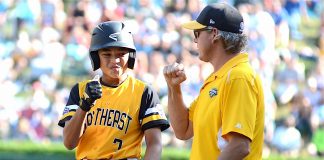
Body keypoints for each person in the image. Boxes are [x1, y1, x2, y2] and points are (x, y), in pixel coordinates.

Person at [163, 3, 265, 160]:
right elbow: (183, 130)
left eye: (197, 33)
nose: (195, 41)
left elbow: (239, 146)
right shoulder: (219, 77)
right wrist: (174, 88)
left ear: (215, 34)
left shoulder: (238, 76)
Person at [58, 21, 170, 160]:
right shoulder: (80, 90)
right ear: (96, 57)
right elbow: (69, 143)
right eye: (106, 54)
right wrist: (85, 105)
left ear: (131, 56)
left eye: (121, 54)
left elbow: (155, 144)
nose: (114, 60)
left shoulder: (144, 92)